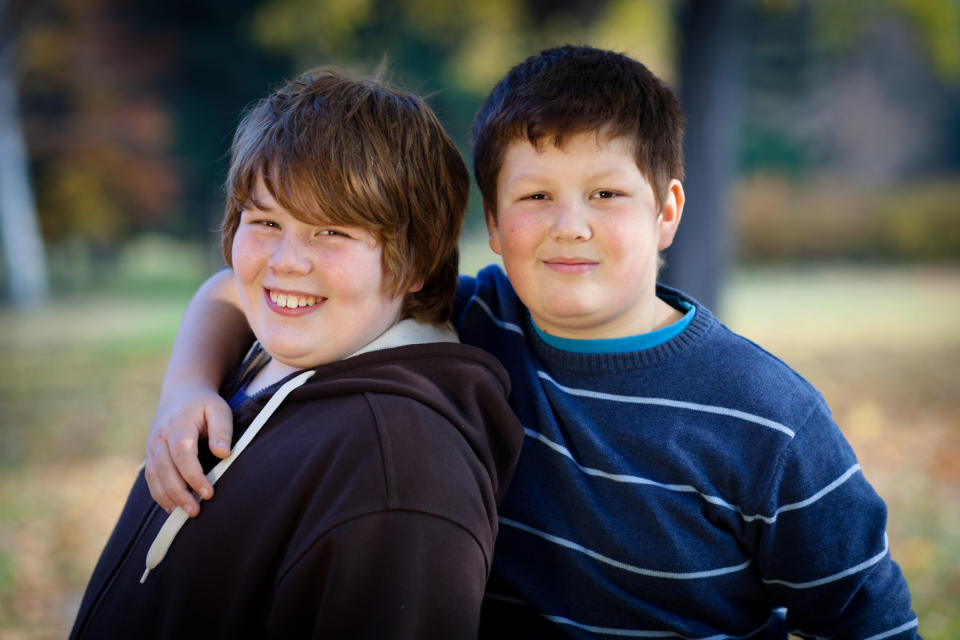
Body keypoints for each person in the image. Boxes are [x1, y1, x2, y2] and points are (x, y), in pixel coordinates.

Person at [141, 46, 921, 638]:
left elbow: (864, 615)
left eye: (607, 194)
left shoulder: (769, 420)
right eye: (536, 196)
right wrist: (187, 386)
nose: (568, 224)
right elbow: (237, 289)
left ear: (667, 212)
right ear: (493, 223)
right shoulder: (478, 323)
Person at [69, 67, 523, 640]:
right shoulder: (298, 347)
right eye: (266, 221)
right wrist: (186, 385)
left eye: (331, 231)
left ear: (419, 264)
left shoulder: (400, 479)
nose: (285, 260)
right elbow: (227, 287)